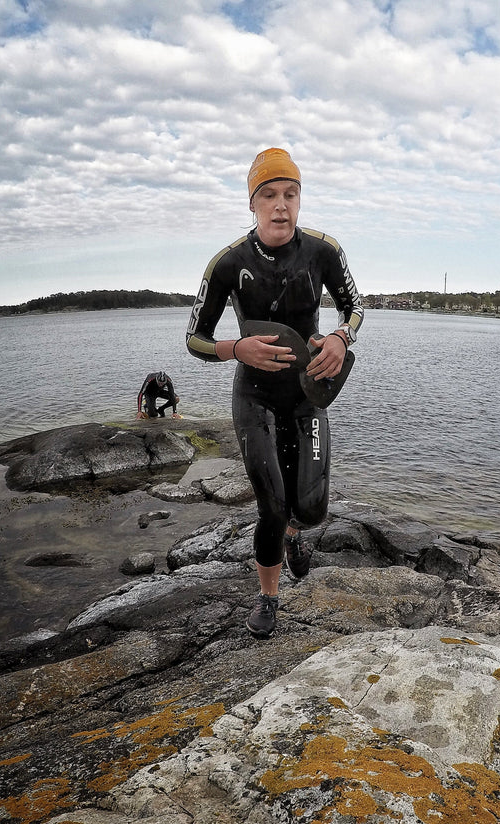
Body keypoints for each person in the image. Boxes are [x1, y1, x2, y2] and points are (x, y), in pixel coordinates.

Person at [185, 147, 364, 638]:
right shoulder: (228, 263)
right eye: (269, 195)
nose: (280, 205)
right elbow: (194, 338)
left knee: (310, 509)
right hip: (255, 397)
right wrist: (237, 347)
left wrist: (339, 337)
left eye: (290, 194)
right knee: (271, 503)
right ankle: (268, 597)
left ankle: (293, 537)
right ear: (252, 203)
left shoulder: (324, 251)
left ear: (300, 199)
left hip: (307, 394)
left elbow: (356, 306)